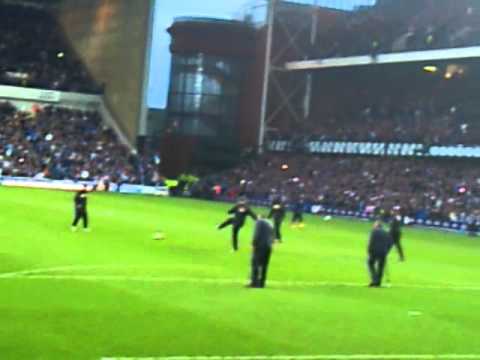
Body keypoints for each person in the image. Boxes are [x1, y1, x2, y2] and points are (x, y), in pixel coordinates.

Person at [248, 215, 274, 288]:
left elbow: (257, 234)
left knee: (255, 263)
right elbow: (273, 235)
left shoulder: (259, 222)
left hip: (260, 246)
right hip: (268, 246)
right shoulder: (270, 223)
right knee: (264, 265)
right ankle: (262, 283)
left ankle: (254, 283)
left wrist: (253, 244)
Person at [367, 221, 393, 287]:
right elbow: (391, 243)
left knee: (370, 264)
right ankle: (378, 282)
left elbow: (371, 241)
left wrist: (369, 250)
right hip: (383, 252)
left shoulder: (374, 231)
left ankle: (374, 279)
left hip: (374, 251)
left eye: (374, 225)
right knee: (380, 267)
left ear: (377, 226)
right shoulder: (387, 233)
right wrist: (387, 251)